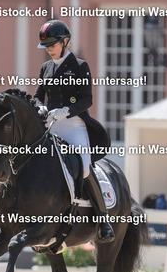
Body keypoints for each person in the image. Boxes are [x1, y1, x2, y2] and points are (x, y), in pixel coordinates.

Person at [33, 19, 114, 243]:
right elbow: (39, 95)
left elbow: (87, 99)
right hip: (51, 125)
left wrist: (66, 110)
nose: (49, 50)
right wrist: (39, 107)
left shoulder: (79, 66)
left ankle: (103, 220)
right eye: (46, 46)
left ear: (65, 42)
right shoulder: (46, 68)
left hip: (73, 125)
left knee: (85, 168)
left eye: (52, 45)